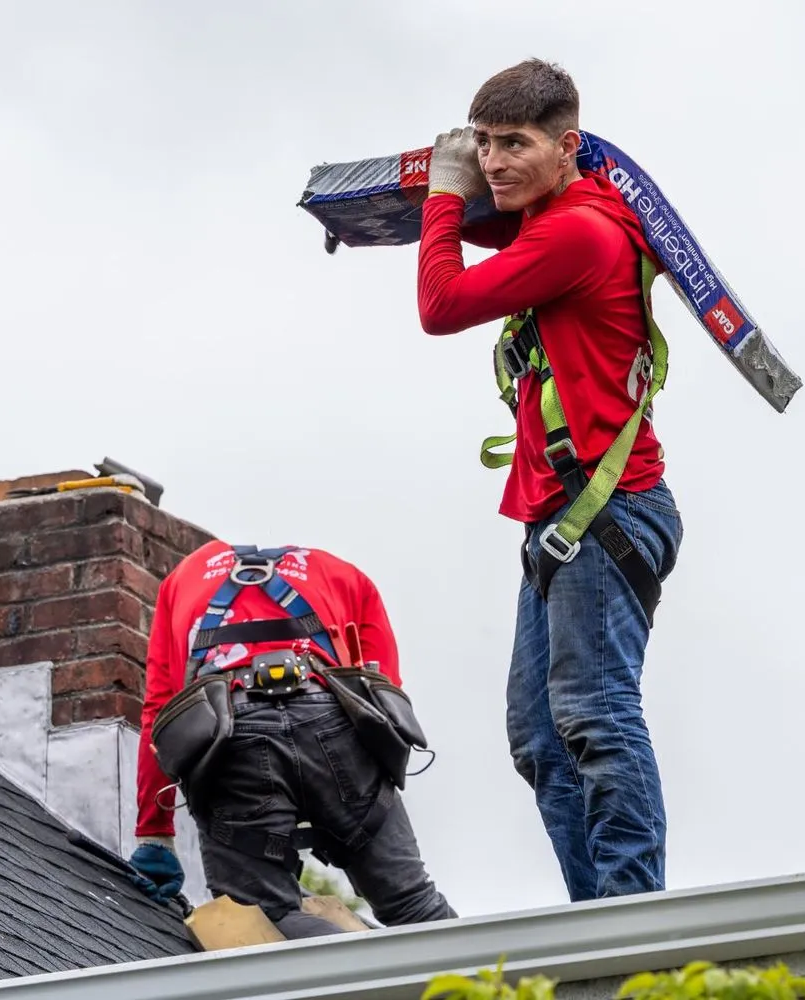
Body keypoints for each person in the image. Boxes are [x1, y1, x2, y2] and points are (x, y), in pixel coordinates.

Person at [416, 58, 684, 901]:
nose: (493, 162)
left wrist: (441, 196)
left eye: (515, 145)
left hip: (604, 512)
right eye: (484, 145)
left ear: (568, 146)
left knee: (595, 714)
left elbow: (441, 305)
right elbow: (502, 238)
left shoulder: (577, 233)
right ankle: (596, 914)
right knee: (539, 736)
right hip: (564, 517)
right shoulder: (558, 217)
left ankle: (629, 917)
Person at [127, 539, 456, 938]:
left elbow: (160, 709)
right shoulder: (340, 573)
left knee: (264, 920)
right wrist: (366, 794)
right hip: (331, 718)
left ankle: (349, 963)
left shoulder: (183, 578)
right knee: (412, 904)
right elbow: (383, 691)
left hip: (232, 733)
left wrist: (155, 834)